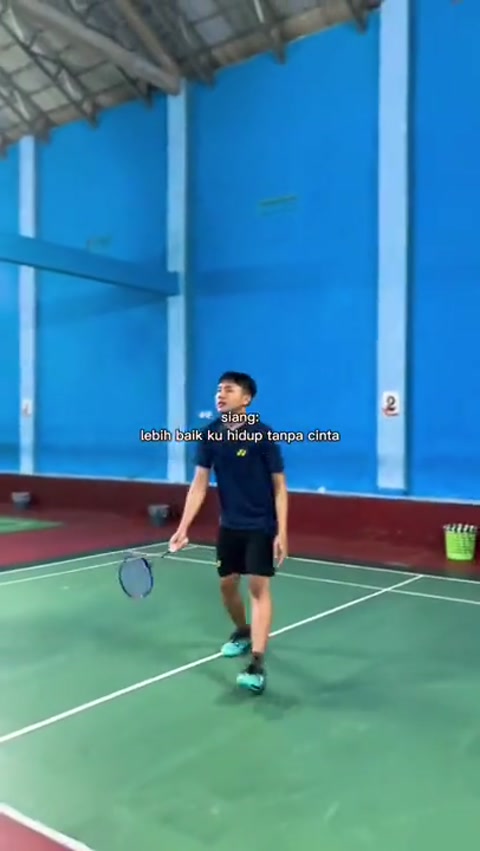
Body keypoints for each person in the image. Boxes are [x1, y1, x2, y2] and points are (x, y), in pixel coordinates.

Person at [169, 371, 288, 695]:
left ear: (246, 399)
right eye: (218, 390)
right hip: (230, 525)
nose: (220, 395)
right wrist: (183, 528)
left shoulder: (263, 435)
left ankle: (257, 665)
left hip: (261, 524)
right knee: (226, 585)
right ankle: (243, 630)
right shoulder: (210, 435)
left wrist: (282, 532)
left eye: (229, 390)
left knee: (258, 588)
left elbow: (280, 487)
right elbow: (199, 484)